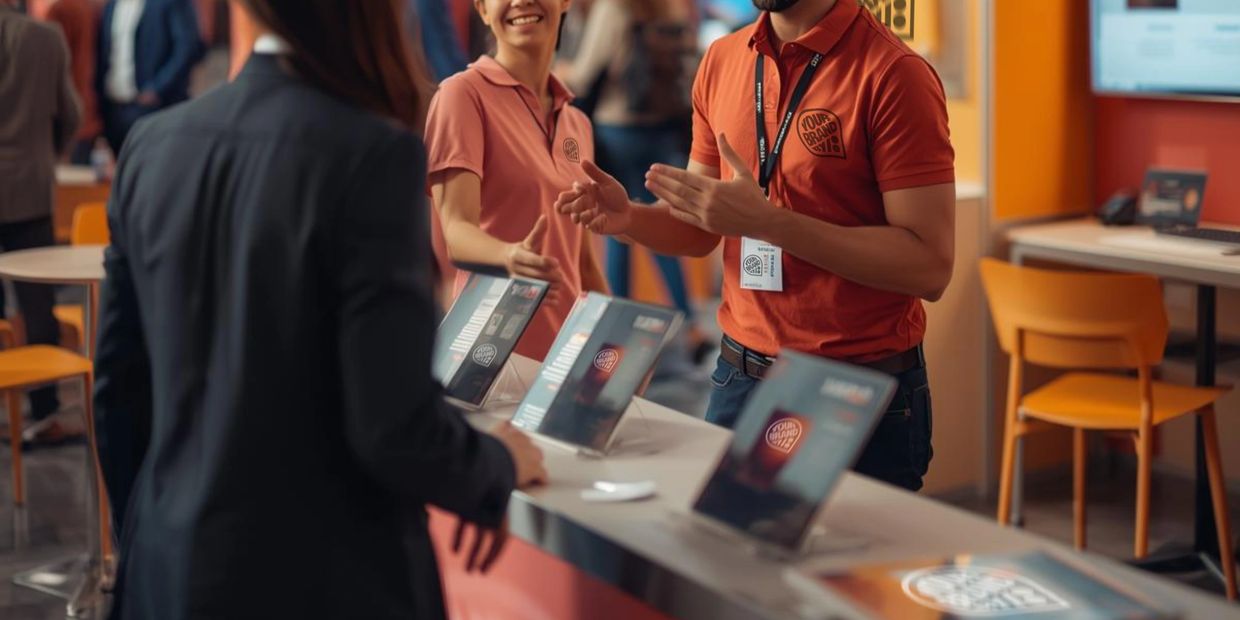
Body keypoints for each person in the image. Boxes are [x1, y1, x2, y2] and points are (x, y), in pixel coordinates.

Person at [92, 1, 546, 617]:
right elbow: (393, 427)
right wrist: (495, 465)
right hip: (321, 579)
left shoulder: (152, 143)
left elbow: (119, 389)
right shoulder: (373, 154)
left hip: (168, 572)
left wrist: (148, 537)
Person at [557, 0, 955, 491]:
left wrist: (770, 224)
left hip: (857, 389)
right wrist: (630, 219)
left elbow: (929, 266)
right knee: (722, 541)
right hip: (740, 376)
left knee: (856, 546)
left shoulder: (894, 72)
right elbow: (701, 228)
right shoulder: (724, 59)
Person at [426, 0, 609, 361]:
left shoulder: (578, 124)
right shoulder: (461, 95)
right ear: (482, 9)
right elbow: (456, 233)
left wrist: (611, 347)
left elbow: (583, 263)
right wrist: (509, 256)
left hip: (564, 360)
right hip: (493, 356)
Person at [557, 0, 711, 363]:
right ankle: (690, 326)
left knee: (620, 226)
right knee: (662, 220)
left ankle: (616, 332)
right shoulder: (674, 4)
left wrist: (559, 70)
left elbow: (585, 72)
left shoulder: (615, 6)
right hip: (664, 127)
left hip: (620, 127)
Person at [0, 0, 80, 445]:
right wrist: (46, 153)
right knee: (37, 305)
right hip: (30, 187)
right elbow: (71, 113)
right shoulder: (44, 38)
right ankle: (44, 414)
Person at [95, 0, 203, 154]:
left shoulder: (170, 3)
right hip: (114, 108)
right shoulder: (111, 6)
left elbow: (187, 47)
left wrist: (157, 88)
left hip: (154, 108)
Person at [43, 0, 100, 163]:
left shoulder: (63, 9)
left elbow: (50, 65)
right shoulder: (91, 9)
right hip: (88, 113)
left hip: (67, 117)